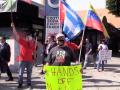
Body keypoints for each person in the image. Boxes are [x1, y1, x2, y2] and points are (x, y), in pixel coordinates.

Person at [11, 22, 36, 88]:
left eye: (30, 36)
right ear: (26, 38)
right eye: (28, 36)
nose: (29, 37)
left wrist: (34, 59)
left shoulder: (33, 44)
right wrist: (13, 27)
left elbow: (34, 52)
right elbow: (16, 36)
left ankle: (29, 83)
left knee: (29, 73)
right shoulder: (23, 42)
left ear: (31, 38)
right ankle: (20, 83)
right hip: (22, 60)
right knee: (20, 73)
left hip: (30, 61)